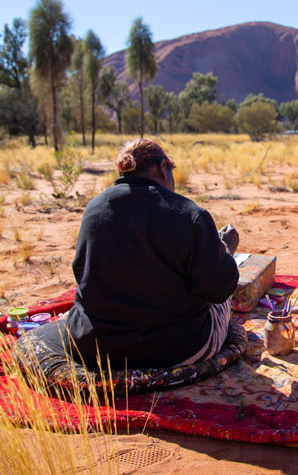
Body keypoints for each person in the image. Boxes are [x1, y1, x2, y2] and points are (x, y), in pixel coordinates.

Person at [22, 139, 240, 371]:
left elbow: (82, 274)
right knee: (224, 294)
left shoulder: (94, 209)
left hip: (96, 348)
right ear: (163, 167)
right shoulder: (189, 214)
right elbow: (219, 289)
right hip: (178, 349)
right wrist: (223, 251)